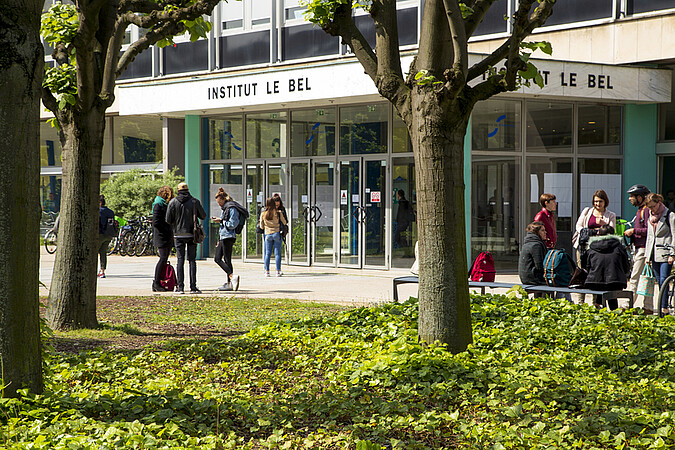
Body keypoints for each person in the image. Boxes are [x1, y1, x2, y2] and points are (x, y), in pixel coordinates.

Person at [165, 182, 206, 294]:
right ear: (187, 190)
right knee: (192, 261)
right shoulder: (194, 201)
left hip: (178, 235)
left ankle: (180, 287)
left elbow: (168, 219)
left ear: (178, 191)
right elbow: (203, 216)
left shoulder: (173, 202)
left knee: (180, 260)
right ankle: (193, 287)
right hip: (192, 234)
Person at [582, 225, 630, 310]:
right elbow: (626, 265)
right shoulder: (619, 247)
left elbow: (587, 266)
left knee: (600, 285)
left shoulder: (592, 248)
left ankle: (598, 307)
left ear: (598, 234)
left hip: (594, 282)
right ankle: (614, 313)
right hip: (616, 281)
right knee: (610, 288)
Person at [644, 193, 675, 315]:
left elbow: (674, 235)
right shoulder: (650, 217)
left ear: (659, 203)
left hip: (666, 252)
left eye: (653, 206)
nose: (652, 209)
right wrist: (647, 255)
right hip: (654, 253)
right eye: (649, 207)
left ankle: (664, 307)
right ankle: (663, 304)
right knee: (658, 280)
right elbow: (650, 237)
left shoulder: (669, 215)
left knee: (663, 280)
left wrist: (672, 253)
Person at [213, 188, 247, 291]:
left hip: (228, 236)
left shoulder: (231, 208)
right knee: (226, 259)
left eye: (220, 202)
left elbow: (233, 223)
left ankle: (232, 277)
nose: (219, 204)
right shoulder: (226, 208)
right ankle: (230, 282)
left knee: (218, 258)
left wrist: (221, 221)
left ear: (224, 199)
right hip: (224, 236)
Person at [624, 184, 651, 303]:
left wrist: (633, 231)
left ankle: (627, 305)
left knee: (635, 278)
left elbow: (649, 230)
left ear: (639, 197)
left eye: (632, 196)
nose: (630, 199)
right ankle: (648, 306)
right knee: (647, 278)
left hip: (643, 248)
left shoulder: (645, 210)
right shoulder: (641, 210)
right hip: (639, 248)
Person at [573, 189, 616, 262]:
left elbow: (611, 231)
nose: (598, 204)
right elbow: (578, 226)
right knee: (582, 269)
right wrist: (589, 232)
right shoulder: (587, 211)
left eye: (600, 201)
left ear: (605, 202)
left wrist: (604, 224)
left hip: (601, 247)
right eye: (596, 201)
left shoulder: (611, 215)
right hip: (585, 245)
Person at [151, 185, 174, 292]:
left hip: (165, 235)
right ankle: (156, 282)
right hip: (161, 236)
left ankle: (160, 281)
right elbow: (156, 222)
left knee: (164, 259)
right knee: (163, 258)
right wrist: (168, 227)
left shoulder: (162, 204)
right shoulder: (158, 205)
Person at [259, 197, 287, 277]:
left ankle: (267, 271)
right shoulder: (278, 212)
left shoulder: (263, 214)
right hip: (277, 233)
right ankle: (278, 271)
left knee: (267, 253)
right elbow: (284, 222)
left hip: (267, 234)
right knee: (277, 253)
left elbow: (261, 226)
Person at [518, 221, 547, 286]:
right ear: (537, 232)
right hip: (533, 279)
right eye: (542, 230)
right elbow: (539, 266)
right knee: (558, 282)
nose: (545, 232)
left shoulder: (528, 241)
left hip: (526, 277)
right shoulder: (536, 245)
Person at [97, 195, 116, 278]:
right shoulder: (110, 211)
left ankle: (93, 270)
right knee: (103, 252)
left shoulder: (98, 211)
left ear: (100, 203)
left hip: (100, 234)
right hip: (109, 235)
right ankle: (102, 271)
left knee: (94, 252)